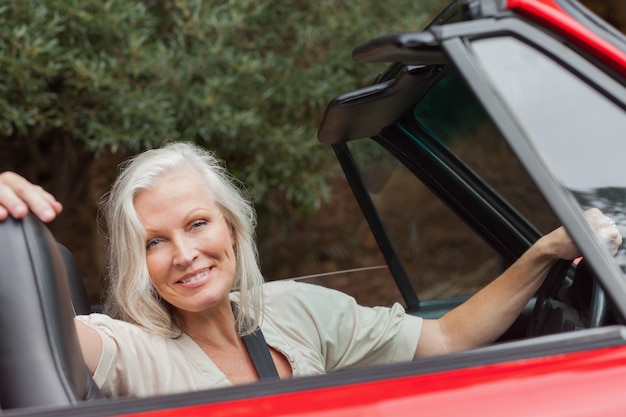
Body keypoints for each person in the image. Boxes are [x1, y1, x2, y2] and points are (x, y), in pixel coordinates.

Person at [0, 142, 622, 398]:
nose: (185, 254)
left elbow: (445, 339)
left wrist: (542, 253)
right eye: (155, 242)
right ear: (138, 264)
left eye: (196, 225)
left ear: (233, 228)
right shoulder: (126, 349)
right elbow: (36, 324)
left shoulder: (294, 309)